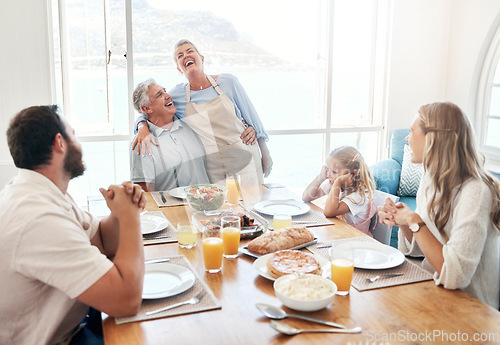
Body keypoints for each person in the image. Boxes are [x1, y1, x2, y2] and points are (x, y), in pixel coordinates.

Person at [0, 105, 146, 345]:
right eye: (74, 134)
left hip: (74, 328)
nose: (79, 143)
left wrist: (120, 213)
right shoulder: (38, 217)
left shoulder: (41, 192)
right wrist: (130, 216)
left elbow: (99, 241)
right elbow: (127, 301)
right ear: (60, 142)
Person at [378, 102, 500, 309]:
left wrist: (414, 220)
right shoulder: (431, 178)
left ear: (433, 139)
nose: (407, 139)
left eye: (411, 131)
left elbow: (456, 276)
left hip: (472, 309)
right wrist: (404, 221)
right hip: (435, 292)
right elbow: (420, 251)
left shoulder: (476, 191)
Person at [132, 39, 273, 185]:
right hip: (214, 168)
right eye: (180, 56)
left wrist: (265, 152)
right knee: (221, 207)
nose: (185, 56)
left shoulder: (228, 82)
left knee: (251, 204)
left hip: (246, 158)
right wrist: (142, 127)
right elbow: (151, 110)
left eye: (190, 51)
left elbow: (252, 117)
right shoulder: (177, 95)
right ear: (179, 69)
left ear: (202, 58)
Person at [130, 78, 210, 192]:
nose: (168, 95)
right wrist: (142, 126)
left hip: (208, 204)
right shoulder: (143, 143)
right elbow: (145, 195)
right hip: (173, 208)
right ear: (146, 108)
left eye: (165, 90)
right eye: (159, 95)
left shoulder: (190, 123)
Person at [303, 146, 377, 236]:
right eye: (327, 169)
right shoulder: (336, 185)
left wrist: (338, 182)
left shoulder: (359, 197)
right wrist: (321, 177)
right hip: (338, 237)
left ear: (352, 174)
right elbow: (307, 197)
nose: (329, 175)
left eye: (334, 172)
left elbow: (329, 212)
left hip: (356, 243)